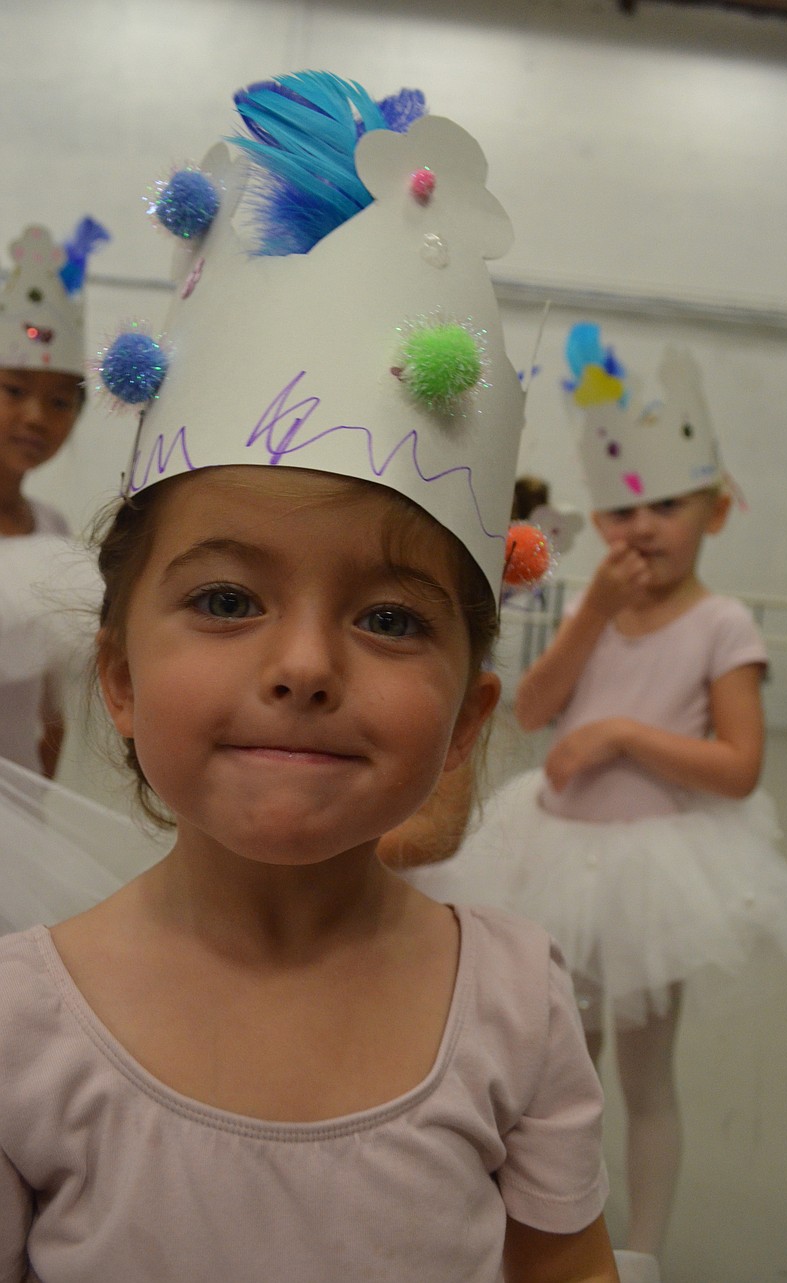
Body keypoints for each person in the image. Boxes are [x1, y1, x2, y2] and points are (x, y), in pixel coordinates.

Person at [0, 74, 619, 1282]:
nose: (301, 665)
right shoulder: (19, 1022)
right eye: (227, 599)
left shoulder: (515, 1003)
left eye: (390, 615)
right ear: (118, 678)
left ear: (463, 720)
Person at [408, 327, 787, 1282]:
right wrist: (595, 612)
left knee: (643, 1076)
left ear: (716, 511)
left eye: (667, 505)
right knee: (560, 1069)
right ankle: (557, 1232)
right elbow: (528, 706)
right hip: (555, 858)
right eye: (619, 509)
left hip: (654, 874)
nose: (641, 527)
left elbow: (736, 765)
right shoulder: (589, 608)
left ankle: (644, 1248)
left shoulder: (722, 623)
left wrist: (620, 736)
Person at [0, 219, 108, 775]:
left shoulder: (50, 526)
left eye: (61, 402)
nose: (36, 418)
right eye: (14, 390)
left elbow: (51, 693)